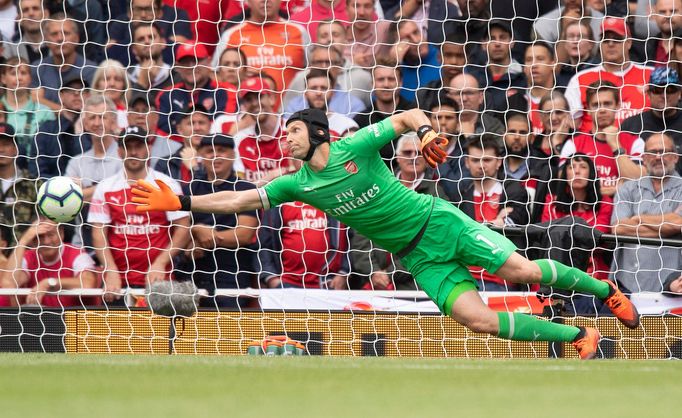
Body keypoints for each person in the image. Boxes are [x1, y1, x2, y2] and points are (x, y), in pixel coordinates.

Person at [133, 107, 641, 359]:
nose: (284, 137)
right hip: (416, 257)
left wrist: (426, 134)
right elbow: (241, 199)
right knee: (478, 321)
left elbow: (405, 116)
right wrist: (182, 200)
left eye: (291, 130)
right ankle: (581, 335)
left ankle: (605, 291)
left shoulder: (355, 147)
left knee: (521, 270)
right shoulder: (296, 183)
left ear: (317, 134)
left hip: (439, 221)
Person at [89, 126, 190, 304]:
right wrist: (110, 270)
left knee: (159, 332)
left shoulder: (166, 184)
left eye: (139, 146)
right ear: (120, 151)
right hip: (118, 283)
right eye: (128, 147)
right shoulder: (105, 188)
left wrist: (161, 262)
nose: (134, 152)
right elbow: (98, 233)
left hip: (159, 279)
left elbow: (183, 228)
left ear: (149, 149)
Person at [176, 135, 258, 308]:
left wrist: (209, 236)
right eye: (209, 151)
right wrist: (195, 231)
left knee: (228, 327)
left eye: (221, 151)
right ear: (200, 155)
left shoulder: (246, 189)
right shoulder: (188, 189)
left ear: (233, 155)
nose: (215, 156)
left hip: (232, 273)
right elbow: (177, 228)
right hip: (192, 271)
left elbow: (244, 234)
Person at [452, 134, 529, 291]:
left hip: (503, 279)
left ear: (499, 162)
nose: (481, 165)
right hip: (466, 279)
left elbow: (514, 222)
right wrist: (495, 222)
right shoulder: (460, 196)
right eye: (475, 160)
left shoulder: (513, 190)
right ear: (466, 163)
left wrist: (473, 228)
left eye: (487, 160)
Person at [611, 133, 682, 293]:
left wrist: (638, 219)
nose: (658, 157)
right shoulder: (628, 188)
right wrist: (668, 228)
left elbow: (678, 223)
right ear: (643, 158)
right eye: (652, 152)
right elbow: (618, 229)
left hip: (672, 284)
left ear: (675, 157)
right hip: (626, 283)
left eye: (663, 151)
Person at [564, 17, 653, 133]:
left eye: (617, 39)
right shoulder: (580, 79)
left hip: (642, 145)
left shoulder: (651, 75)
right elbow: (569, 125)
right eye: (605, 39)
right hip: (594, 147)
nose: (610, 44)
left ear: (629, 43)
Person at [560, 81, 645, 197]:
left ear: (618, 106)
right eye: (596, 105)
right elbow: (562, 184)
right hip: (588, 211)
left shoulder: (635, 142)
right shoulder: (574, 144)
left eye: (607, 104)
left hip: (625, 210)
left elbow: (640, 180)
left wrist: (616, 146)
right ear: (588, 110)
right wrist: (615, 190)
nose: (602, 110)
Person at [211, 0, 308, 95]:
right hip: (246, 108)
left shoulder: (299, 32)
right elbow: (213, 75)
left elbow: (312, 71)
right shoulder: (231, 35)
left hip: (293, 109)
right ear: (247, 2)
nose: (265, 1)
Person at [542, 153, 613, 281]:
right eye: (571, 167)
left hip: (593, 273)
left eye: (583, 167)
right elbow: (546, 237)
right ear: (565, 174)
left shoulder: (604, 203)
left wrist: (563, 234)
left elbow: (598, 239)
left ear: (591, 173)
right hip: (555, 268)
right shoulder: (551, 203)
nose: (577, 171)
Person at [0, 218, 97, 308]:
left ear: (61, 234)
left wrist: (49, 283)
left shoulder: (77, 254)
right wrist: (23, 241)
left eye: (51, 235)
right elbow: (9, 285)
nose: (46, 241)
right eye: (40, 236)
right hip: (39, 321)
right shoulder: (29, 256)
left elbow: (87, 283)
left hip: (74, 321)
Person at [620, 67, 682, 174]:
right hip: (640, 187)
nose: (664, 95)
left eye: (670, 90)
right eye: (657, 90)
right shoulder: (631, 125)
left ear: (679, 93)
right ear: (648, 94)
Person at [30, 13, 97, 111]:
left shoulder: (91, 70)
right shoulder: (37, 68)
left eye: (66, 33)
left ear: (76, 38)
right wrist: (63, 112)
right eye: (54, 34)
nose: (60, 39)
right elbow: (34, 100)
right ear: (46, 40)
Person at [0, 56, 55, 169]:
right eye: (13, 73)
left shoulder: (45, 112)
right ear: (3, 79)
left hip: (36, 168)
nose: (19, 77)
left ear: (30, 78)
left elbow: (51, 148)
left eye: (23, 73)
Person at [0, 123, 39, 246]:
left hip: (25, 258)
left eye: (6, 144)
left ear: (16, 149)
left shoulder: (34, 185)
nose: (1, 149)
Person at [284, 69, 366, 120]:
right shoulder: (293, 114)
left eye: (323, 88)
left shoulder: (344, 123)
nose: (319, 93)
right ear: (305, 93)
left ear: (332, 93)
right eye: (313, 88)